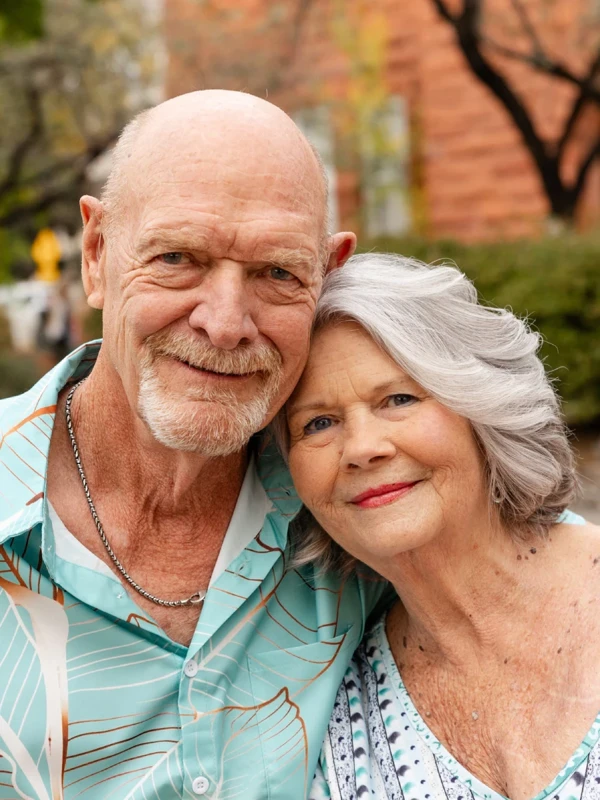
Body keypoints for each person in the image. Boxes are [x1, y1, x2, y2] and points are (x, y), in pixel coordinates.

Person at [0, 91, 387, 800]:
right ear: (96, 255)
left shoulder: (364, 505)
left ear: (327, 276)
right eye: (178, 258)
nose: (226, 322)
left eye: (277, 272)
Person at [283, 253, 599, 800]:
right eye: (319, 423)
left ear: (481, 407)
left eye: (398, 399)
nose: (362, 449)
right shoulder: (328, 720)